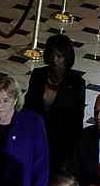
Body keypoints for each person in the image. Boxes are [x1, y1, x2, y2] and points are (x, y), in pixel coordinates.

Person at [23, 33, 87, 174]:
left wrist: (71, 156)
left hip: (60, 144)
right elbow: (28, 108)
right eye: (51, 55)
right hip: (36, 138)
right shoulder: (38, 75)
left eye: (59, 56)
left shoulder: (77, 83)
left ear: (67, 58)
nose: (54, 60)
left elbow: (76, 122)